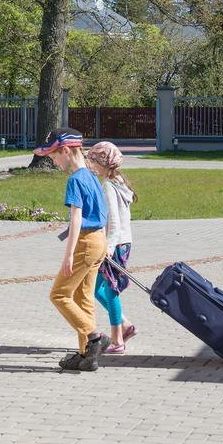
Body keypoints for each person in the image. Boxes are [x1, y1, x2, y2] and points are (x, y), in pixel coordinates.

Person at [35, 127, 110, 371]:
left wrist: (68, 254)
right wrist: (105, 243)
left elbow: (76, 219)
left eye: (54, 156)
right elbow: (103, 213)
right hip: (99, 241)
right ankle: (86, 356)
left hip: (86, 243)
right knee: (83, 298)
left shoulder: (75, 179)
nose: (53, 161)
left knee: (59, 294)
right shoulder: (91, 176)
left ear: (66, 150)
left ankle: (94, 338)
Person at [85, 142, 138, 355]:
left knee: (110, 290)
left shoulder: (108, 185)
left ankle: (118, 341)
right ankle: (125, 325)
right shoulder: (117, 181)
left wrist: (108, 246)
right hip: (123, 242)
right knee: (95, 288)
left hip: (114, 244)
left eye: (94, 161)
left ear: (103, 163)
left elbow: (114, 222)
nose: (91, 165)